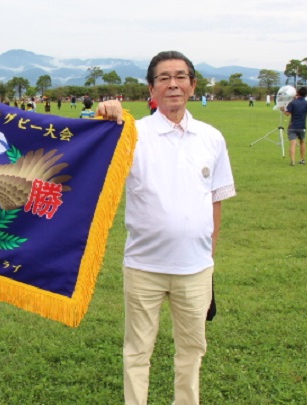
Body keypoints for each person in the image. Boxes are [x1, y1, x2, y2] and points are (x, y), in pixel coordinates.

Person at [96, 50, 236, 405]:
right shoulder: (132, 136)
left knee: (192, 350)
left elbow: (215, 199)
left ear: (192, 85)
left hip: (195, 269)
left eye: (180, 77)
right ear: (152, 89)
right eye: (164, 78)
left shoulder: (211, 138)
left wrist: (209, 254)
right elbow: (95, 157)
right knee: (137, 351)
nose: (173, 84)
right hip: (144, 266)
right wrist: (106, 116)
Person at [282, 87, 307, 166]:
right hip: (302, 126)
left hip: (293, 126)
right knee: (302, 142)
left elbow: (287, 114)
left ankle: (293, 161)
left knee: (293, 143)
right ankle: (302, 159)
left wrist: (283, 109)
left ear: (298, 93)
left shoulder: (293, 103)